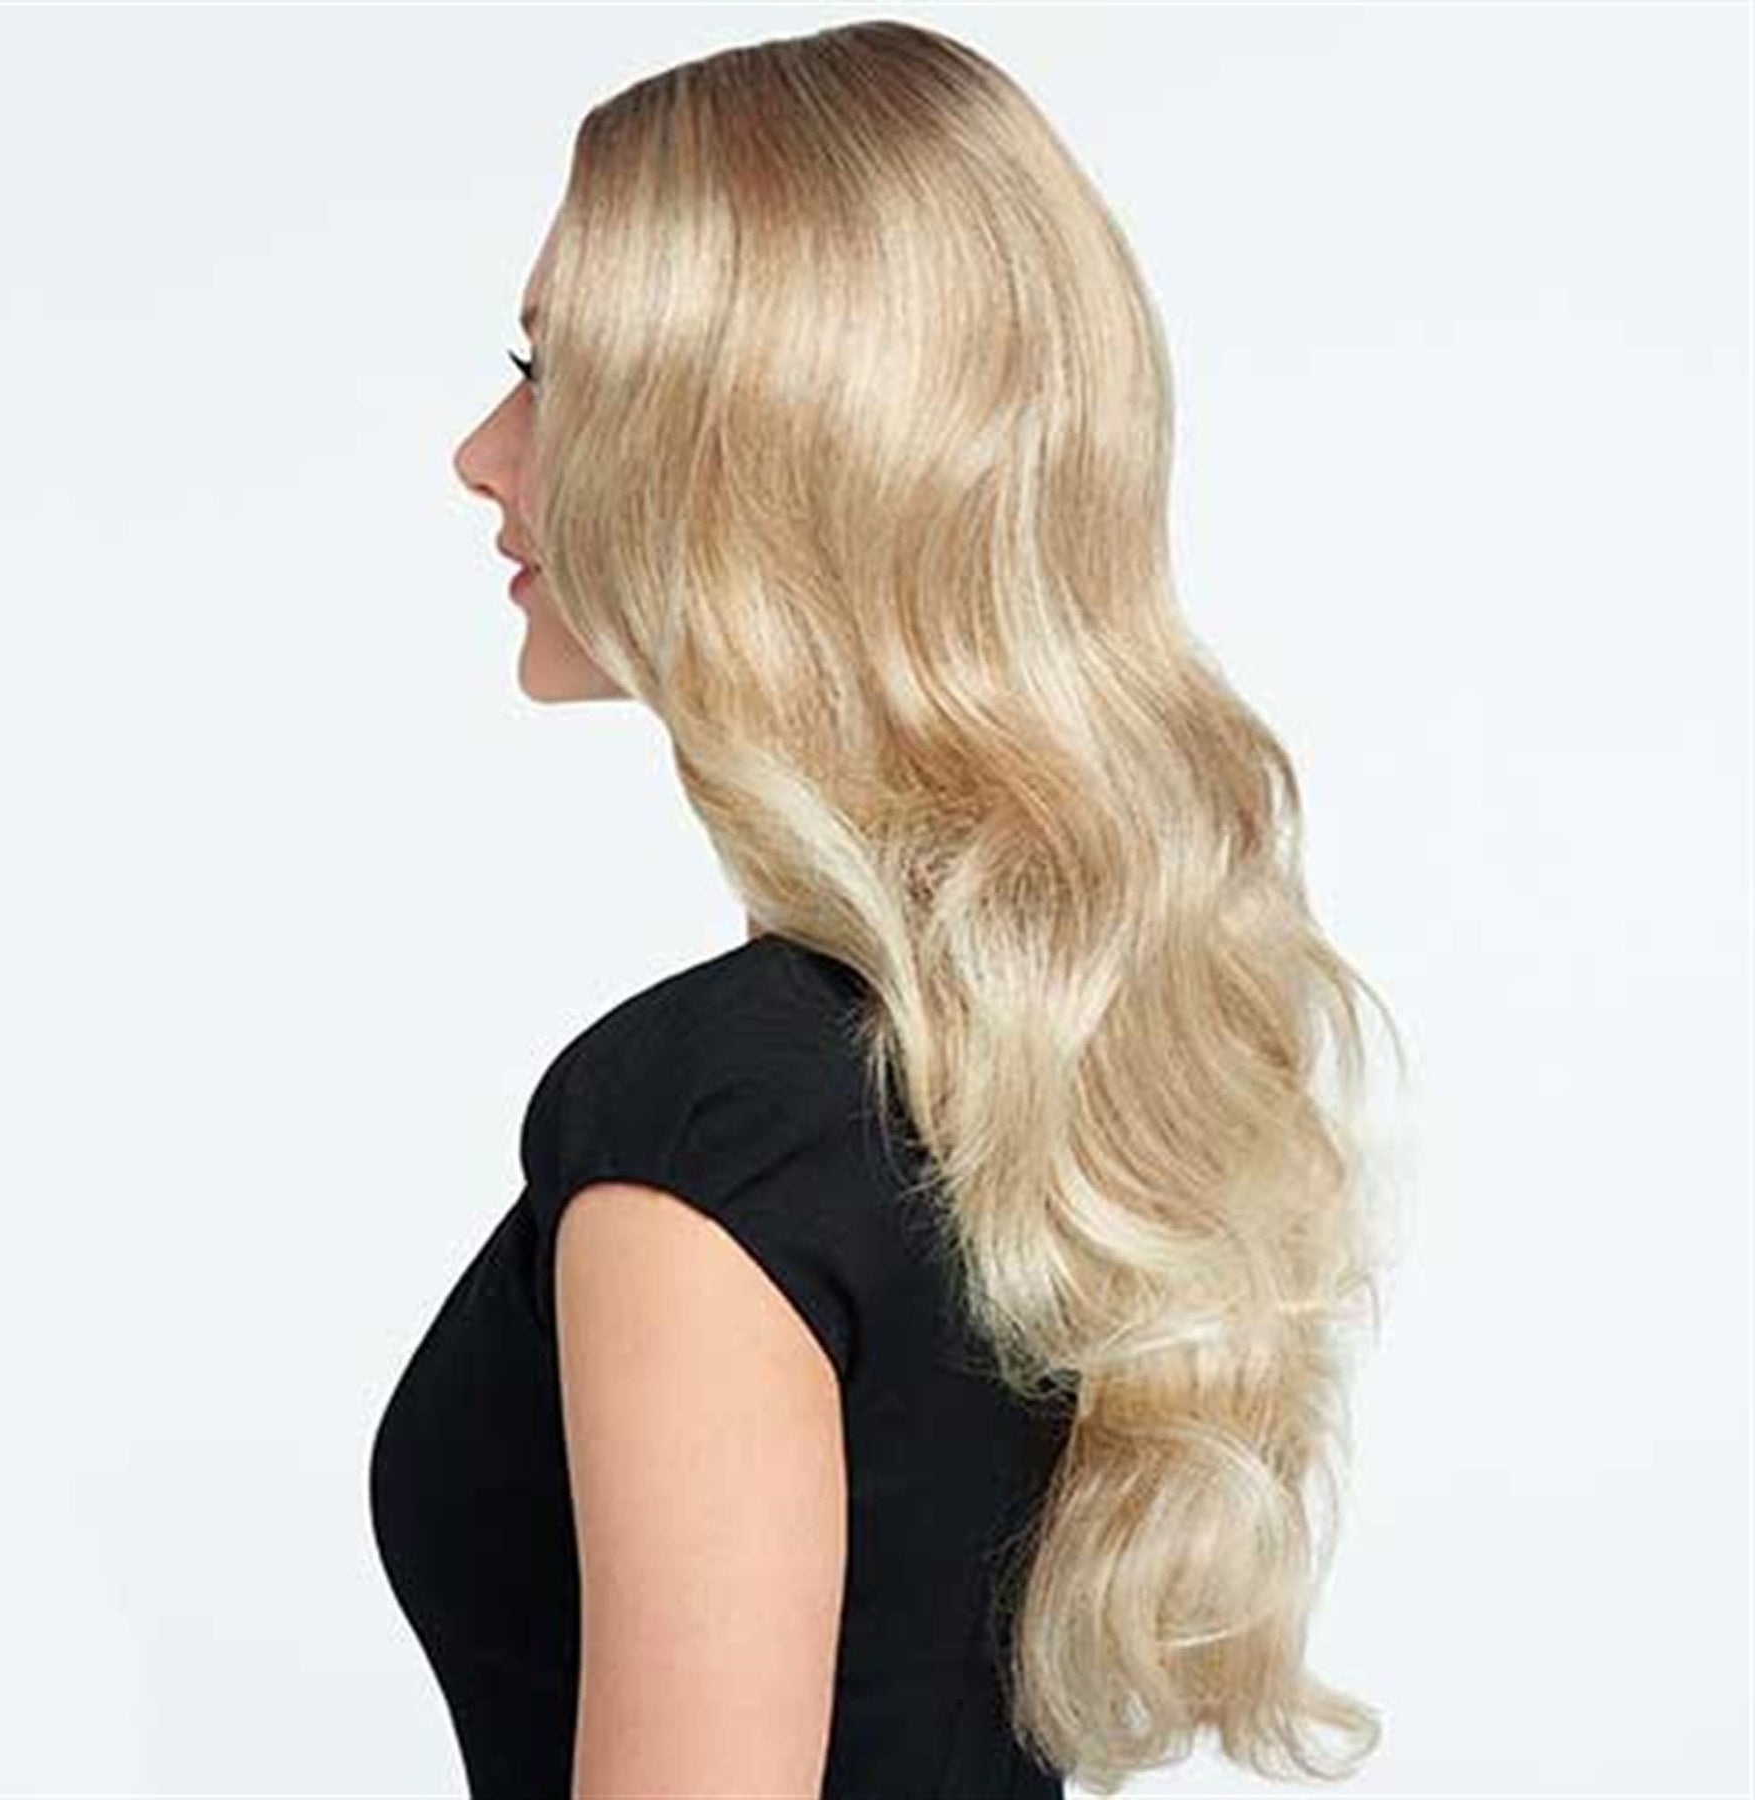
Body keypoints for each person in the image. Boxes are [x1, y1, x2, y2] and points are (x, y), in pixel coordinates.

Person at [371, 18, 1396, 1799]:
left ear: (746, 443)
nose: (481, 451)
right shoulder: (1015, 1066)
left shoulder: (716, 1123)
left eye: (552, 372)